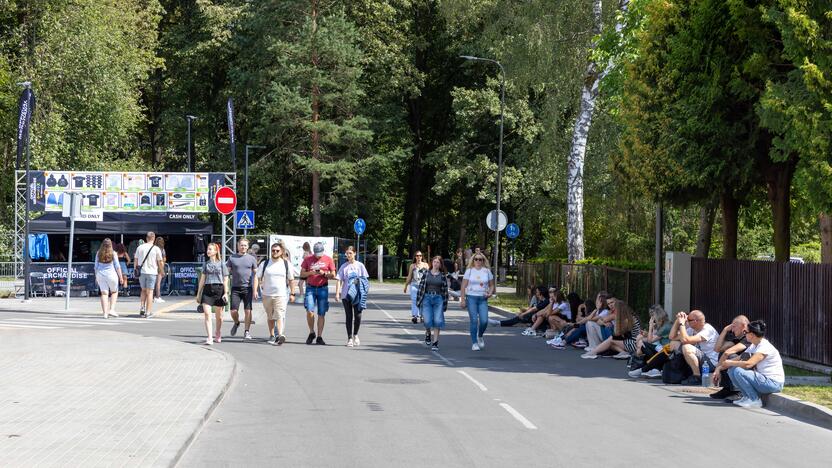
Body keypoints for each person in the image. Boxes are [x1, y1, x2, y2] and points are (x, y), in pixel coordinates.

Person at [714, 320, 784, 408]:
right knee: (732, 370)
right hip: (763, 380)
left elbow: (748, 364)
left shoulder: (764, 347)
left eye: (745, 332)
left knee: (738, 371)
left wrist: (731, 362)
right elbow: (740, 358)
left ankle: (754, 400)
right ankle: (747, 397)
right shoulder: (754, 345)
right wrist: (719, 368)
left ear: (752, 335)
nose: (744, 334)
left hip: (773, 383)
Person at [255, 240, 295, 346]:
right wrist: (256, 290)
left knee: (279, 315)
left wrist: (292, 293)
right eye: (273, 250)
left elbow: (291, 280)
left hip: (281, 294)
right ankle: (272, 335)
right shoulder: (265, 263)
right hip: (267, 294)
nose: (275, 252)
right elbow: (257, 277)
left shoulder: (286, 264)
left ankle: (280, 335)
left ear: (281, 252)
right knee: (270, 316)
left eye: (277, 250)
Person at [668, 309, 719, 385]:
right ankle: (680, 372)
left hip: (710, 363)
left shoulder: (708, 330)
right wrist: (677, 321)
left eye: (688, 320)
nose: (686, 321)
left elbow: (685, 340)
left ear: (695, 321)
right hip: (700, 360)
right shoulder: (692, 329)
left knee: (686, 347)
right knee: (674, 343)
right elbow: (672, 337)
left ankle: (697, 377)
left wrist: (682, 324)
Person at [301, 242, 336, 345]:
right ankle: (312, 332)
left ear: (323, 251)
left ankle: (319, 336)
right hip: (310, 288)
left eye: (319, 254)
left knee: (321, 313)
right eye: (316, 254)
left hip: (322, 288)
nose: (318, 256)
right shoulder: (308, 259)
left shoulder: (328, 259)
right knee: (309, 310)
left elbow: (333, 274)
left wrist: (324, 273)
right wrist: (311, 273)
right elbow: (302, 273)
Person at [335, 246, 370, 347]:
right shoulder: (344, 266)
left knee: (358, 315)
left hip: (358, 294)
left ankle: (356, 334)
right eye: (347, 253)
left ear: (355, 253)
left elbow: (365, 279)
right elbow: (339, 280)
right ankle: (349, 338)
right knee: (349, 316)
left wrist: (364, 290)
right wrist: (337, 293)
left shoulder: (360, 266)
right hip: (346, 295)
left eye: (350, 253)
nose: (348, 255)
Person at [709, 315, 751, 399]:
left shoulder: (749, 337)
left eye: (734, 326)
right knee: (723, 353)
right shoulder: (737, 339)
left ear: (744, 325)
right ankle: (727, 388)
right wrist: (724, 330)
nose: (732, 329)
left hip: (751, 368)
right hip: (743, 368)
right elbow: (718, 349)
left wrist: (717, 370)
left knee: (729, 355)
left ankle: (738, 391)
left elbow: (728, 353)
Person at [195, 242, 229, 345]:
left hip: (219, 289)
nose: (208, 251)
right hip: (208, 289)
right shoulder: (206, 264)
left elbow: (225, 279)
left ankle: (218, 332)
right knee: (207, 314)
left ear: (215, 251)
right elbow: (202, 279)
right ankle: (209, 337)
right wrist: (198, 293)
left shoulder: (222, 264)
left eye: (210, 249)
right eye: (208, 249)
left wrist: (226, 293)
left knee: (219, 317)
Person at [460, 252, 494, 351]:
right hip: (471, 298)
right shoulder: (469, 271)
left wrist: (490, 293)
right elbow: (463, 286)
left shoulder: (487, 271)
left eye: (480, 259)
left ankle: (480, 335)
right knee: (474, 320)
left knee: (484, 321)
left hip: (483, 298)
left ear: (483, 261)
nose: (478, 261)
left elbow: (492, 285)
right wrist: (462, 300)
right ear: (473, 260)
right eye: (476, 259)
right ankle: (474, 343)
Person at [628, 305, 673, 378]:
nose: (652, 319)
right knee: (642, 343)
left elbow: (650, 340)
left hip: (667, 351)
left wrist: (650, 326)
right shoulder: (665, 324)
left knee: (644, 345)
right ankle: (653, 368)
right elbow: (653, 338)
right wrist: (647, 333)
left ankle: (656, 368)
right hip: (663, 348)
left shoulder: (665, 327)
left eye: (652, 317)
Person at [416, 256, 449, 351]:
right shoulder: (426, 273)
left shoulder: (442, 276)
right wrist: (419, 301)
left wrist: (445, 304)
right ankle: (428, 333)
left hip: (438, 299)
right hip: (427, 298)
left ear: (440, 264)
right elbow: (421, 288)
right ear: (432, 263)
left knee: (437, 321)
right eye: (434, 262)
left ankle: (435, 342)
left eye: (438, 262)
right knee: (427, 320)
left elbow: (445, 291)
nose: (436, 264)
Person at [227, 238, 258, 340]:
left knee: (248, 311)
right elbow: (226, 274)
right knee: (233, 311)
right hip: (235, 288)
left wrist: (255, 290)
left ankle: (247, 331)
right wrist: (225, 288)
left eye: (245, 245)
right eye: (241, 245)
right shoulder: (232, 258)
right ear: (238, 246)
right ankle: (236, 322)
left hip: (247, 288)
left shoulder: (252, 259)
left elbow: (256, 275)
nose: (243, 247)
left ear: (247, 247)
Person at [134, 231, 164, 318]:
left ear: (146, 238)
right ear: (154, 238)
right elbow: (160, 262)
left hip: (141, 272)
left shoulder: (140, 247)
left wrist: (135, 270)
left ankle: (142, 307)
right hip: (152, 272)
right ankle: (148, 312)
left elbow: (135, 260)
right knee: (150, 292)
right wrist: (162, 271)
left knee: (143, 290)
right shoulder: (156, 249)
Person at [94, 238, 123, 319]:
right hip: (111, 275)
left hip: (100, 274)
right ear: (111, 245)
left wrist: (96, 276)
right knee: (114, 292)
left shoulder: (98, 253)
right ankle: (112, 309)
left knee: (104, 294)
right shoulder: (113, 253)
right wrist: (121, 277)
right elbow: (117, 266)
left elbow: (95, 266)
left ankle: (105, 314)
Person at [403, 251, 429, 323]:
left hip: (423, 285)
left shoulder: (425, 265)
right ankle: (414, 316)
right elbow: (409, 276)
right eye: (417, 256)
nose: (419, 257)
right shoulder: (412, 266)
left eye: (420, 256)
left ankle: (421, 315)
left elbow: (429, 275)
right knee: (414, 300)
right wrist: (406, 286)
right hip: (414, 284)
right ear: (415, 257)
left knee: (422, 301)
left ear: (422, 257)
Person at [153, 237, 167, 303]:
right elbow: (164, 259)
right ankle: (157, 296)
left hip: (153, 266)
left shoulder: (153, 248)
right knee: (158, 283)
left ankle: (152, 296)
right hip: (160, 267)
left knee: (154, 283)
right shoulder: (162, 250)